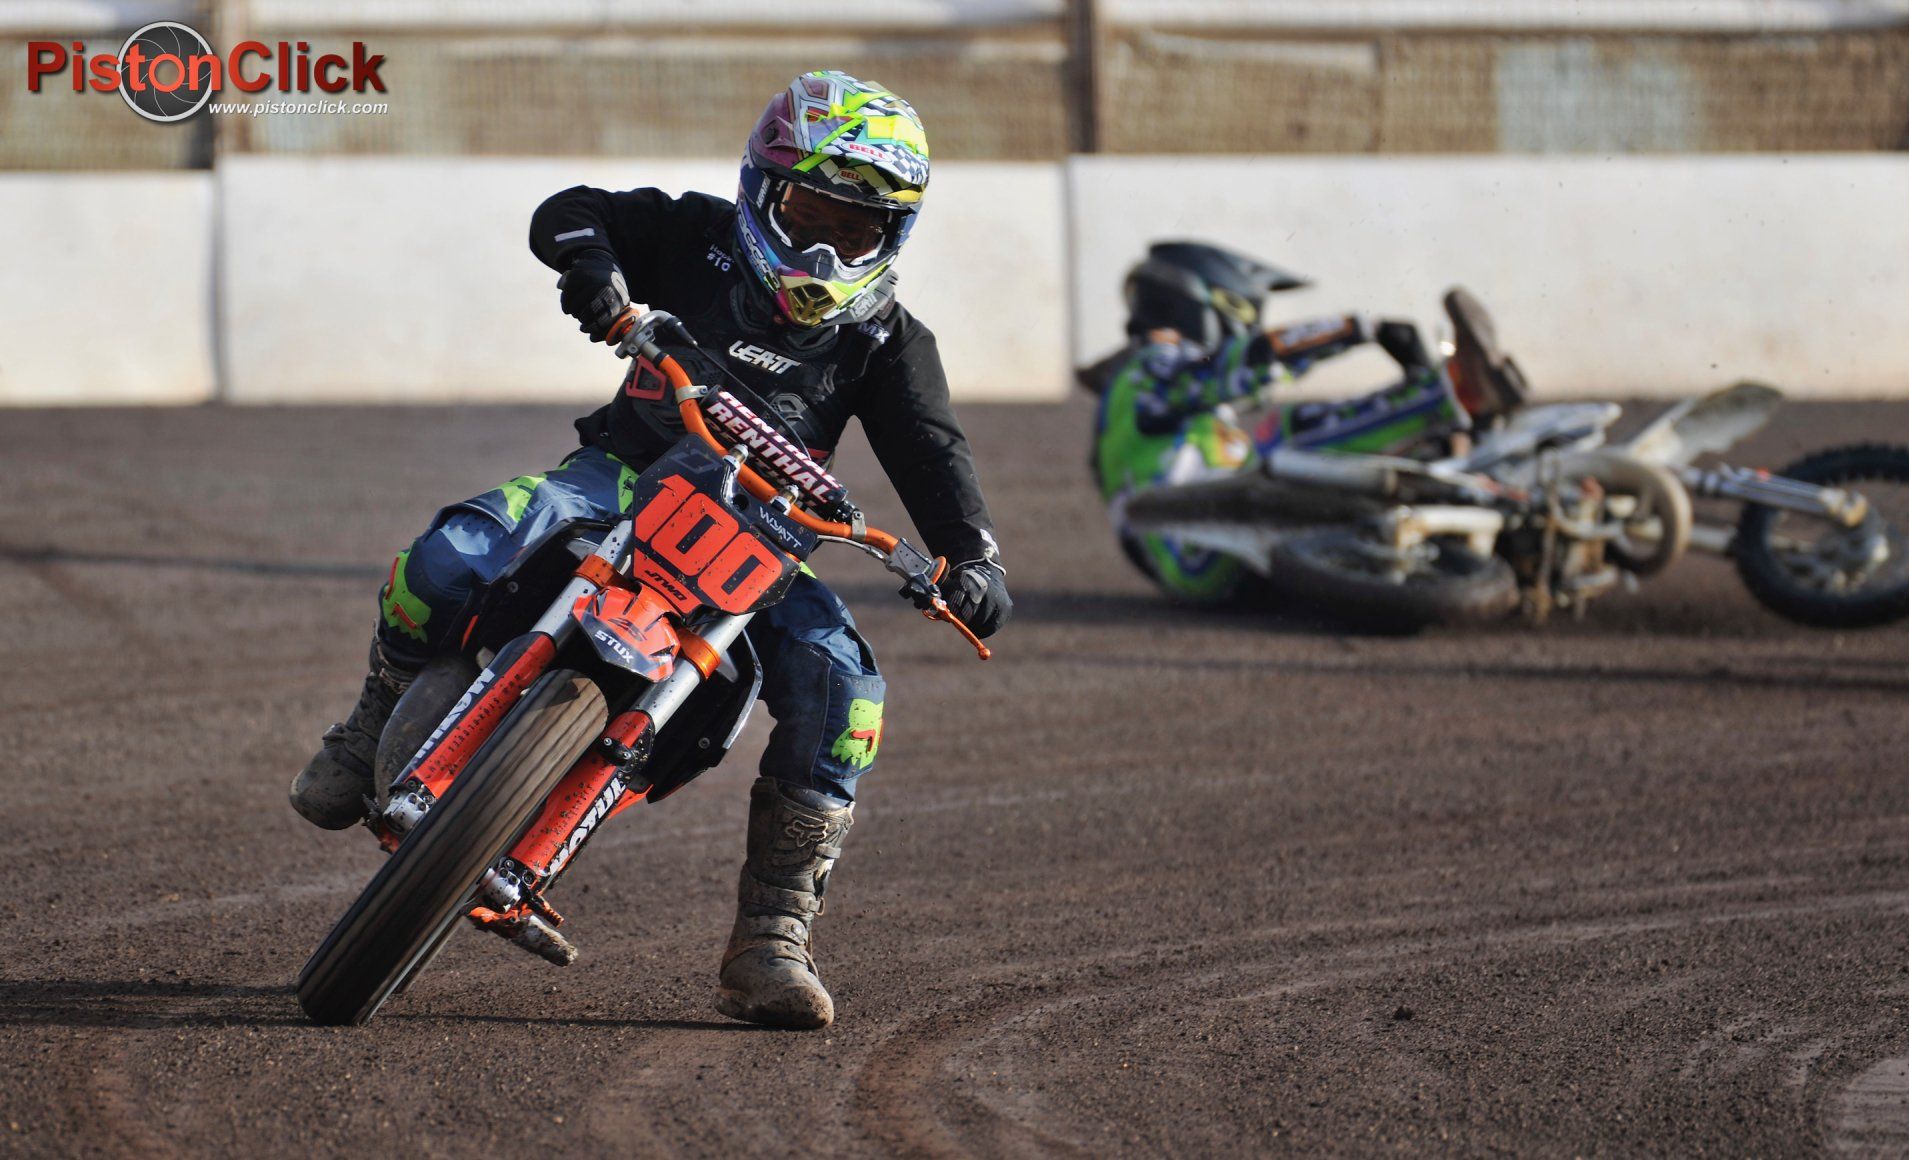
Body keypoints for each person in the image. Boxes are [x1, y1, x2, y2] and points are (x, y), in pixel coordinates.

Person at [288, 71, 1012, 1030]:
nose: (827, 244)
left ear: (894, 238)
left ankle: (773, 936)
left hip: (763, 543)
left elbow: (932, 451)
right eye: (810, 210)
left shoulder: (887, 338)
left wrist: (973, 557)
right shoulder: (696, 235)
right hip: (620, 476)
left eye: (857, 229)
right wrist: (594, 272)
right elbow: (571, 210)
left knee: (849, 698)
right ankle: (368, 720)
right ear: (765, 186)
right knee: (452, 550)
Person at [1084, 243, 1527, 603]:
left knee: (1286, 439)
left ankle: (1457, 467)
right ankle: (1456, 393)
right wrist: (1359, 329)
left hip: (1203, 546)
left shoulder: (1141, 401)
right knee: (1288, 432)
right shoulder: (1146, 370)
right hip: (1198, 543)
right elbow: (1240, 365)